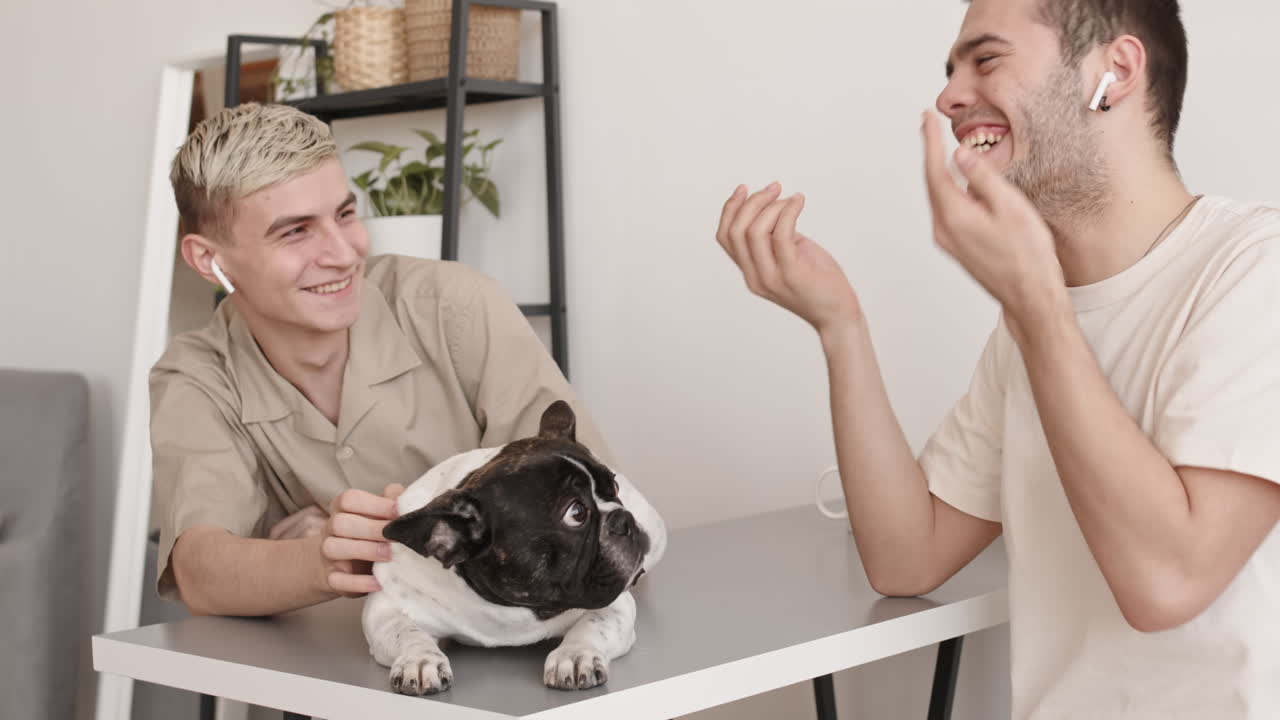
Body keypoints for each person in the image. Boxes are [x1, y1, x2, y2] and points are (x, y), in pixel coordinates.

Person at [716, 0, 1280, 717]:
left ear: (1114, 72)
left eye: (986, 60)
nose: (949, 96)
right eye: (950, 71)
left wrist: (1037, 309)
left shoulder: (1256, 268)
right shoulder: (1032, 324)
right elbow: (906, 557)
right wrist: (840, 325)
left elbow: (1167, 584)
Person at [152, 101, 616, 618]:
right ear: (208, 261)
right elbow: (201, 570)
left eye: (345, 214)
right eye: (295, 231)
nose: (344, 253)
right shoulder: (195, 375)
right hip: (334, 677)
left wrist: (292, 556)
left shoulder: (455, 309)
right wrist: (324, 558)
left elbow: (599, 513)